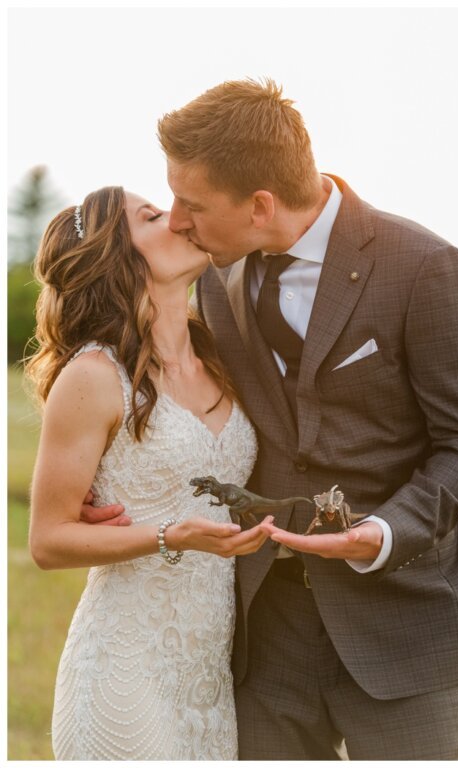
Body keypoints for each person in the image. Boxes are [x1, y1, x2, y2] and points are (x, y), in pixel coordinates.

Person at [86, 78, 458, 759]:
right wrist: (107, 480)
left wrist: (381, 532)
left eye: (192, 205)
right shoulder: (216, 282)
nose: (178, 220)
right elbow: (176, 394)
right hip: (263, 629)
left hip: (397, 623)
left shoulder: (426, 268)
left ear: (259, 205)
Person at [27, 187, 271, 759]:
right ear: (119, 258)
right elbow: (47, 540)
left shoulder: (217, 356)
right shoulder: (92, 375)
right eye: (154, 217)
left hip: (208, 681)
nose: (180, 218)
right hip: (124, 670)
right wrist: (169, 535)